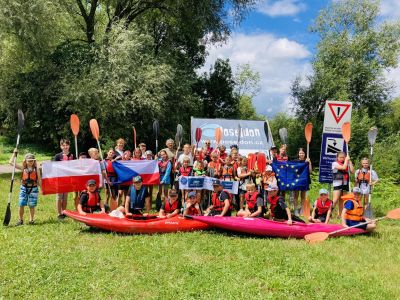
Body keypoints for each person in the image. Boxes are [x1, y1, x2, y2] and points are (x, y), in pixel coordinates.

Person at [9, 151, 41, 225]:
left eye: (32, 160)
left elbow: (39, 180)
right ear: (25, 161)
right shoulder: (23, 168)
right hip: (24, 188)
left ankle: (31, 220)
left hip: (33, 189)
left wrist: (42, 189)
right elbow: (10, 162)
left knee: (32, 205)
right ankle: (20, 220)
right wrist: (14, 154)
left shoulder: (36, 169)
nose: (31, 162)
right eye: (29, 160)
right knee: (21, 204)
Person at [54, 138, 75, 220]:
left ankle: (64, 211)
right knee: (59, 197)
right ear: (61, 146)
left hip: (68, 179)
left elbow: (75, 166)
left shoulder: (72, 156)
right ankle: (59, 213)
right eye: (63, 145)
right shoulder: (57, 156)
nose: (65, 147)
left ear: (69, 146)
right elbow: (54, 167)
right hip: (59, 179)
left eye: (67, 145)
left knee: (65, 197)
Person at [332, 151, 354, 216]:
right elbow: (343, 168)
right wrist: (346, 161)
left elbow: (352, 171)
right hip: (337, 182)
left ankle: (340, 214)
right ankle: (328, 212)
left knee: (342, 199)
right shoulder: (334, 163)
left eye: (343, 157)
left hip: (345, 183)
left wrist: (349, 162)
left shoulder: (346, 162)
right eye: (340, 157)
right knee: (335, 199)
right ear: (337, 157)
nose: (342, 159)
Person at [293, 148, 312, 215]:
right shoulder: (295, 161)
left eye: (303, 153)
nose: (301, 154)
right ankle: (295, 210)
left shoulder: (307, 161)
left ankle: (302, 209)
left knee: (303, 196)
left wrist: (309, 163)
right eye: (300, 153)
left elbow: (310, 171)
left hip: (304, 180)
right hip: (297, 180)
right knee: (296, 195)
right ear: (298, 154)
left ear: (305, 154)